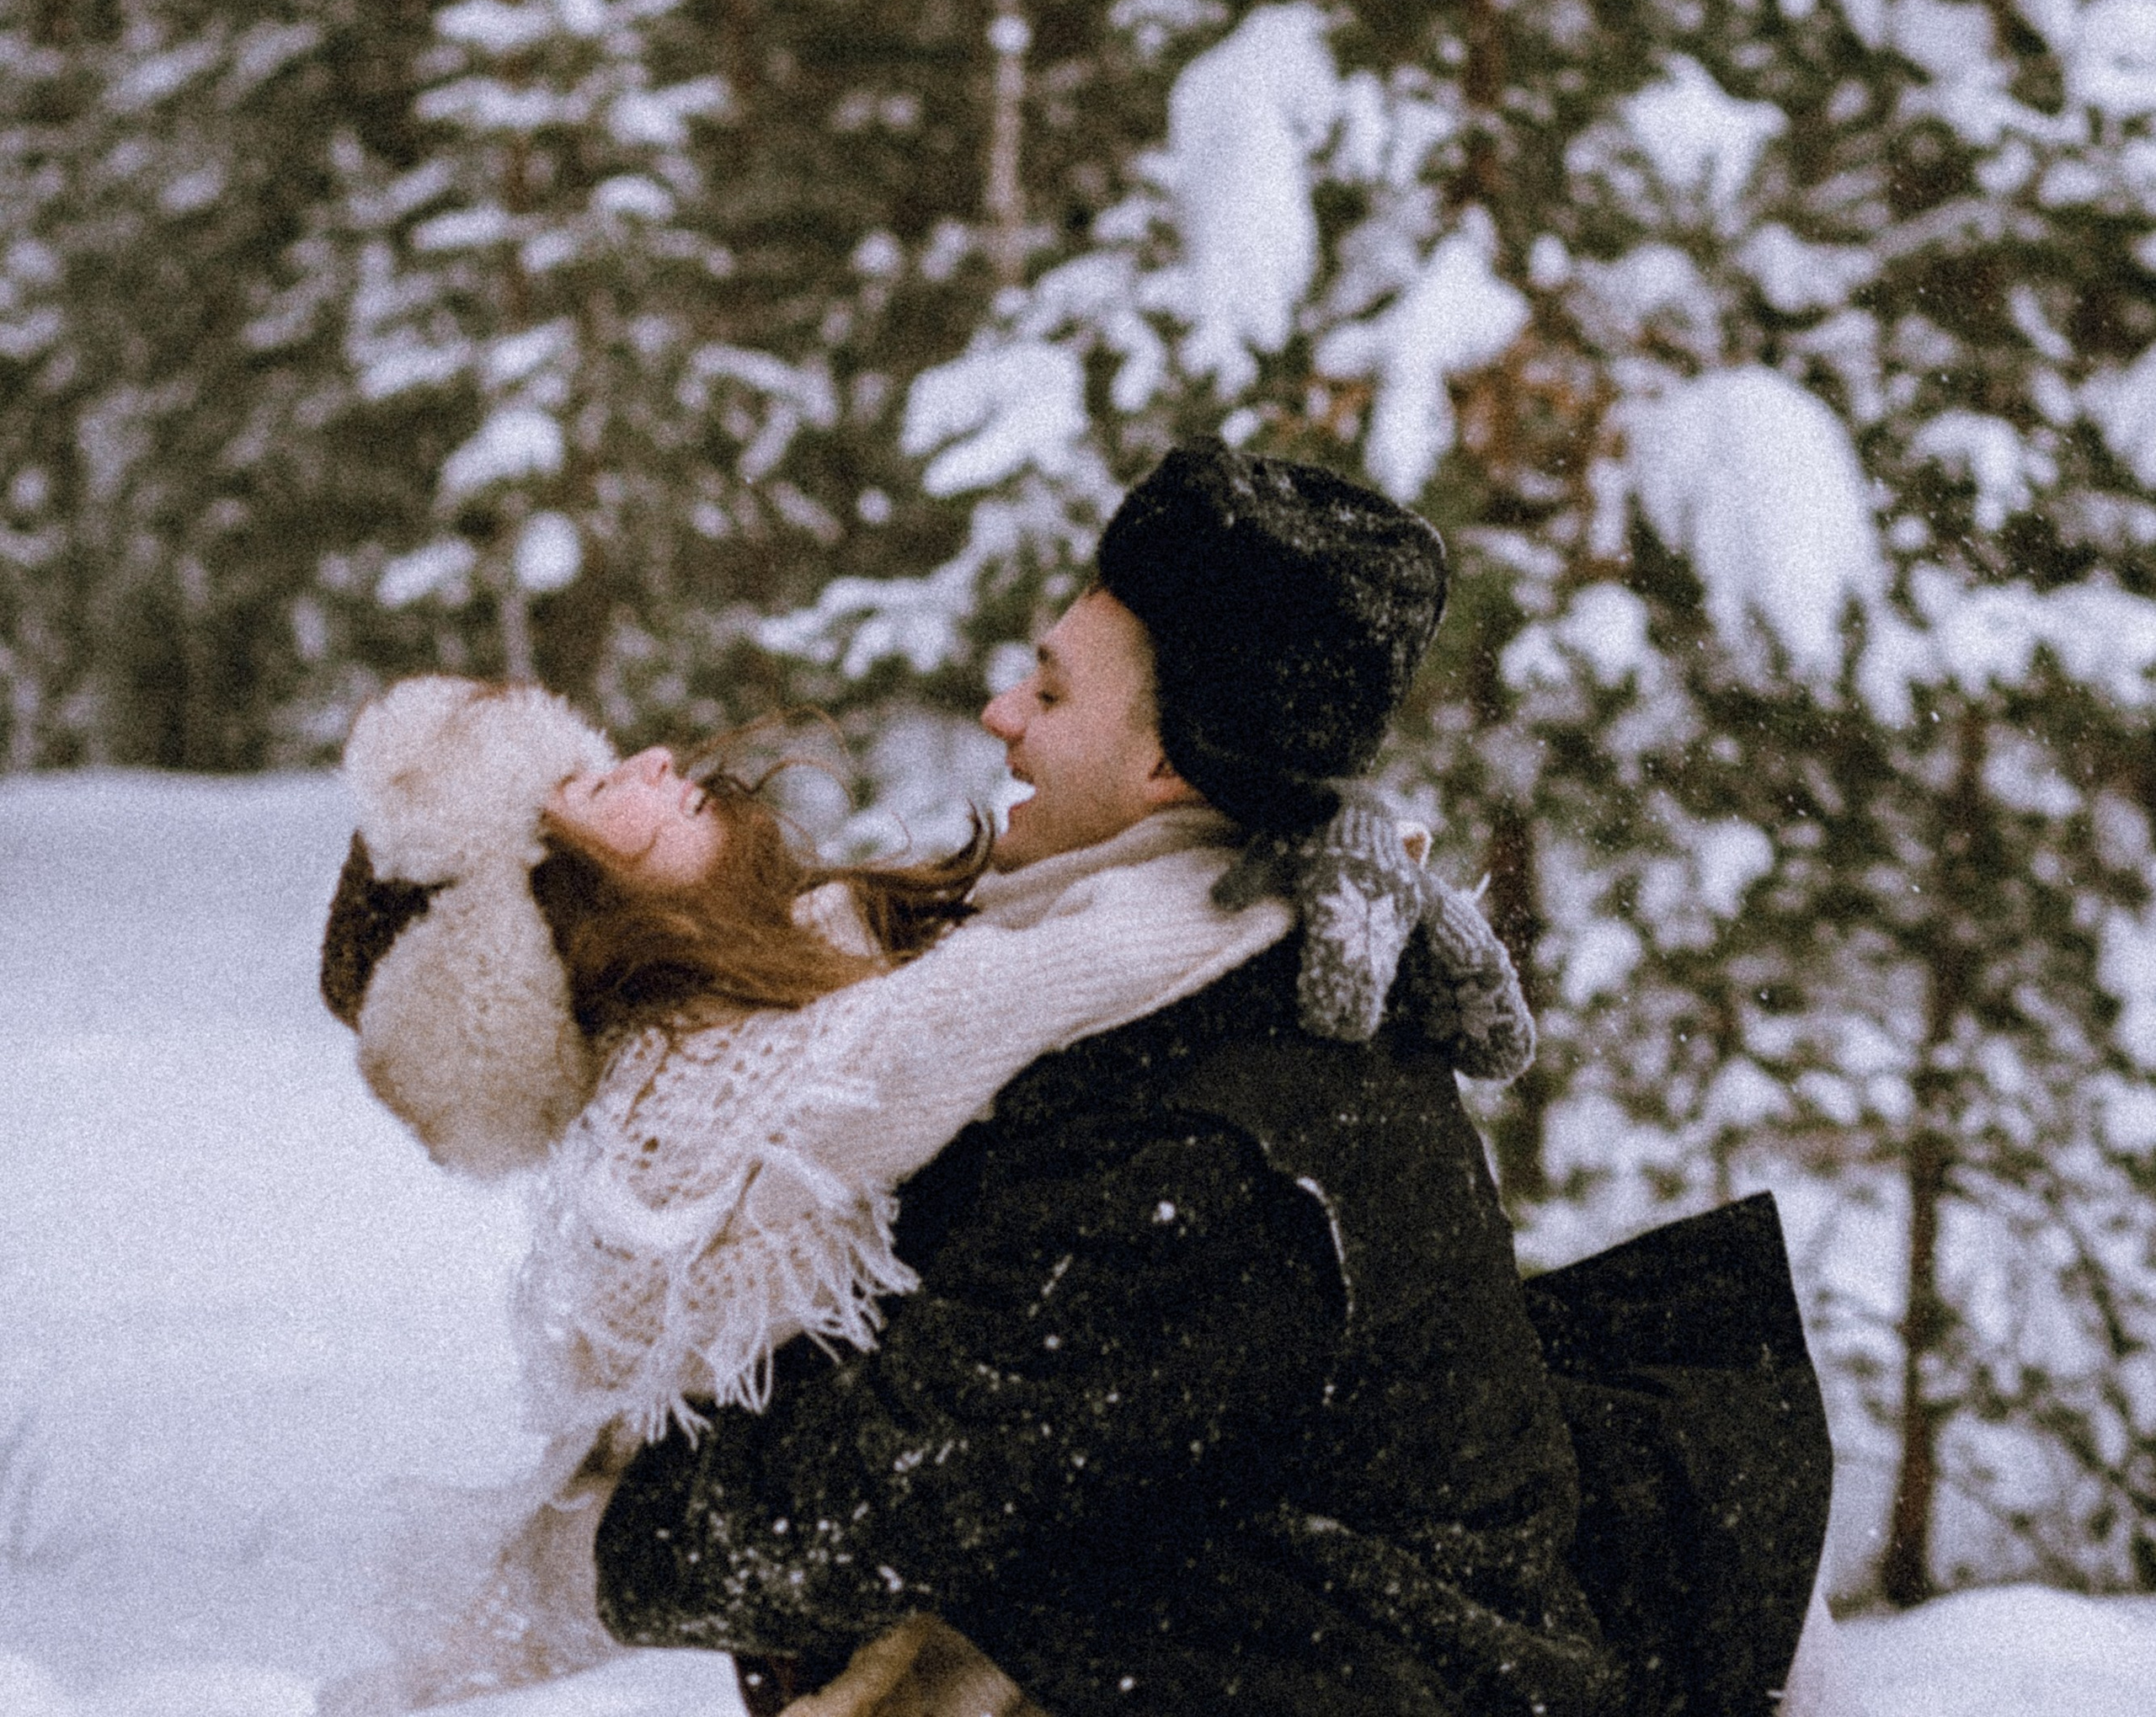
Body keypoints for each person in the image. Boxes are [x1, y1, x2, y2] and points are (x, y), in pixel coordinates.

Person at [586, 442, 1844, 1717]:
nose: (1000, 716)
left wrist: (607, 1545)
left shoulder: (1211, 1132)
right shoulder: (1164, 962)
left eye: (1053, 693)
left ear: (1170, 772)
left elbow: (862, 1509)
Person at [318, 554, 1527, 1710]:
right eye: (591, 793)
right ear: (555, 912)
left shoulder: (902, 950)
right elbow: (883, 1476)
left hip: (1221, 1642)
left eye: (1050, 689)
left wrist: (1304, 833)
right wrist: (1286, 845)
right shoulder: (700, 1150)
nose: (648, 758)